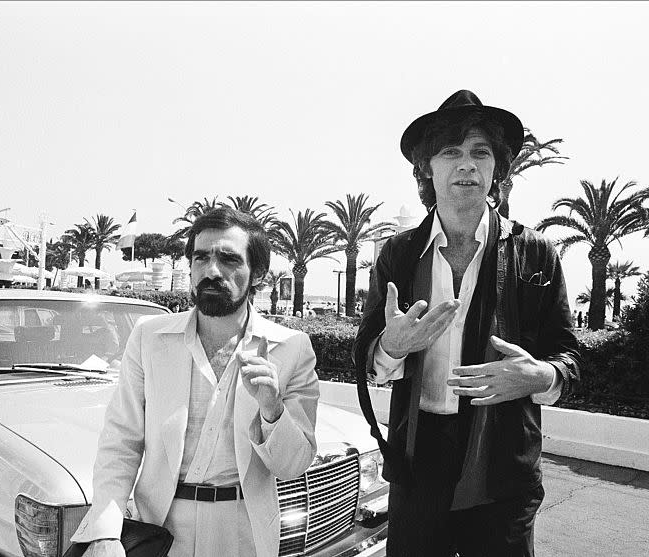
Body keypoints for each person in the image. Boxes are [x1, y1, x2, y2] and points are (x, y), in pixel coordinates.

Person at [353, 90, 580, 556]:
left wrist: (540, 376)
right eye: (450, 152)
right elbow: (366, 361)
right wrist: (390, 347)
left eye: (481, 152)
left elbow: (570, 358)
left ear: (497, 168)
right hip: (418, 461)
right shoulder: (397, 255)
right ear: (426, 169)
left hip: (501, 467)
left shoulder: (534, 253)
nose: (467, 165)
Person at [72, 207, 320, 557]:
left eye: (229, 259)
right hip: (159, 530)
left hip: (242, 533)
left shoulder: (291, 349)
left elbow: (293, 465)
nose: (212, 270)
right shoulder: (149, 339)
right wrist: (106, 532)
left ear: (258, 273)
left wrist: (272, 410)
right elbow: (121, 441)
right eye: (201, 258)